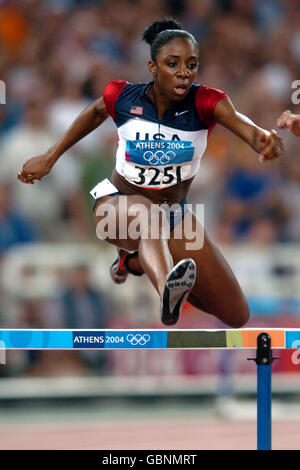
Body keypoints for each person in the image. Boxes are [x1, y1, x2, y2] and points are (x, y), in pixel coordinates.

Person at [17, 19, 283, 328]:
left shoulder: (207, 102)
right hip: (115, 208)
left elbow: (242, 124)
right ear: (153, 67)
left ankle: (133, 262)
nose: (184, 72)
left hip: (174, 216)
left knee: (237, 315)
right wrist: (51, 157)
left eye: (191, 64)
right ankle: (166, 293)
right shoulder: (124, 97)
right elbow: (94, 112)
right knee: (146, 214)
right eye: (173, 64)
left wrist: (261, 139)